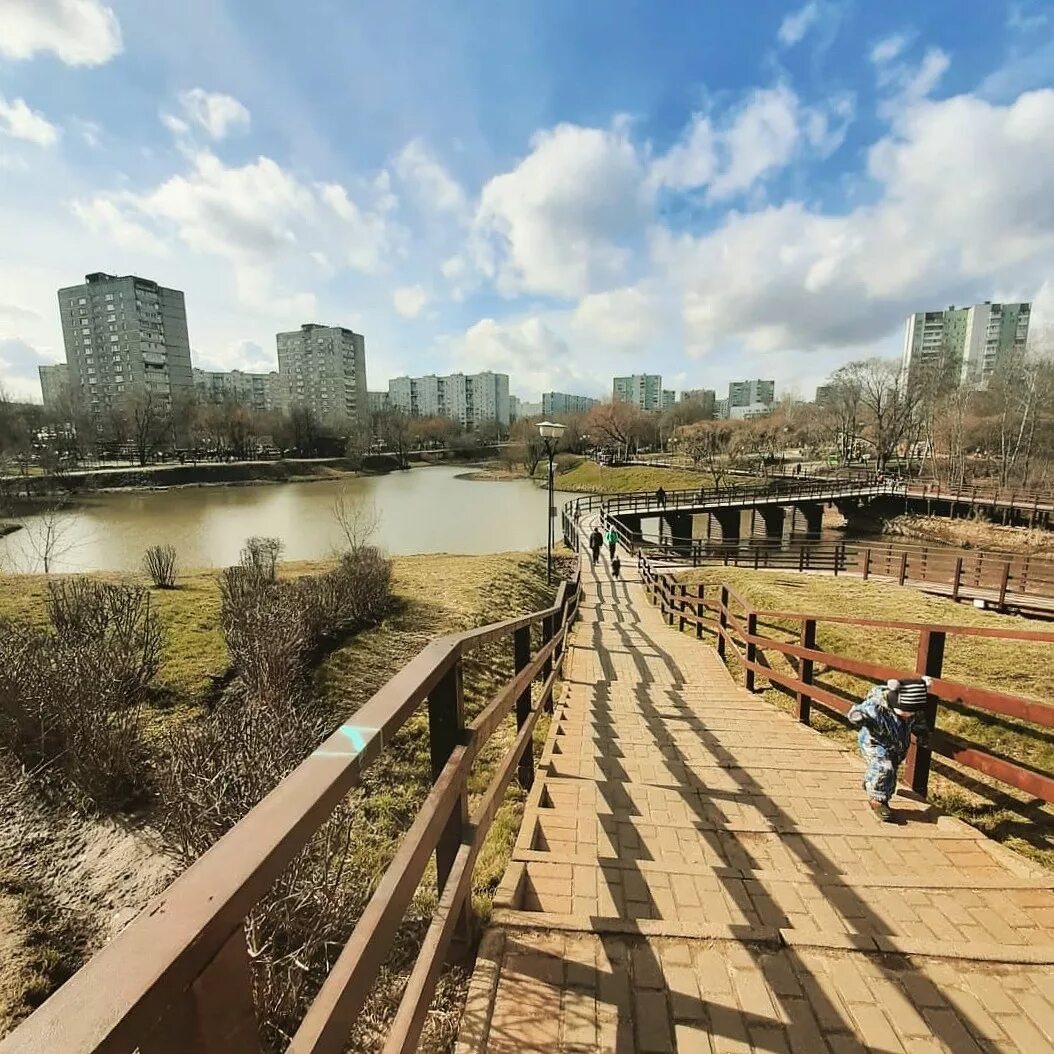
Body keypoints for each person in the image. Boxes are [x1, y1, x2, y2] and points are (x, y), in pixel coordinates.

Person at [848, 677, 931, 822]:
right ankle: (878, 801)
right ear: (894, 699)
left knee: (890, 770)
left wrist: (922, 734)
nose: (907, 715)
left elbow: (919, 722)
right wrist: (858, 717)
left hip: (897, 746)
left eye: (911, 713)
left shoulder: (912, 710)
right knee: (885, 767)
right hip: (874, 742)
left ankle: (871, 782)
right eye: (904, 712)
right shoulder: (876, 706)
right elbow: (856, 711)